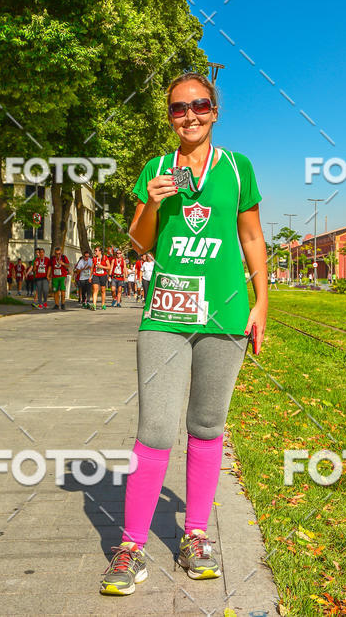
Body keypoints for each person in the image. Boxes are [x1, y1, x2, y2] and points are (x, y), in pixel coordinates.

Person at [99, 71, 267, 596]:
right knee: (154, 429)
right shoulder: (156, 168)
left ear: (214, 110)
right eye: (178, 107)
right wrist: (151, 202)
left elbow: (252, 237)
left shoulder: (237, 168)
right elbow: (138, 243)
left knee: (208, 425)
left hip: (225, 314)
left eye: (199, 105)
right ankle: (130, 547)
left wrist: (262, 302)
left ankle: (195, 535)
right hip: (167, 314)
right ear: (169, 116)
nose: (189, 115)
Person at [91, 245, 110, 310]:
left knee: (102, 290)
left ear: (100, 251)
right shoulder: (94, 258)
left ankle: (103, 304)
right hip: (96, 275)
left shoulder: (105, 257)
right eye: (95, 250)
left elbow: (109, 267)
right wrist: (90, 276)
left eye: (96, 251)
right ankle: (94, 305)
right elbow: (92, 268)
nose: (95, 252)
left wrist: (102, 267)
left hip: (103, 275)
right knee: (95, 289)